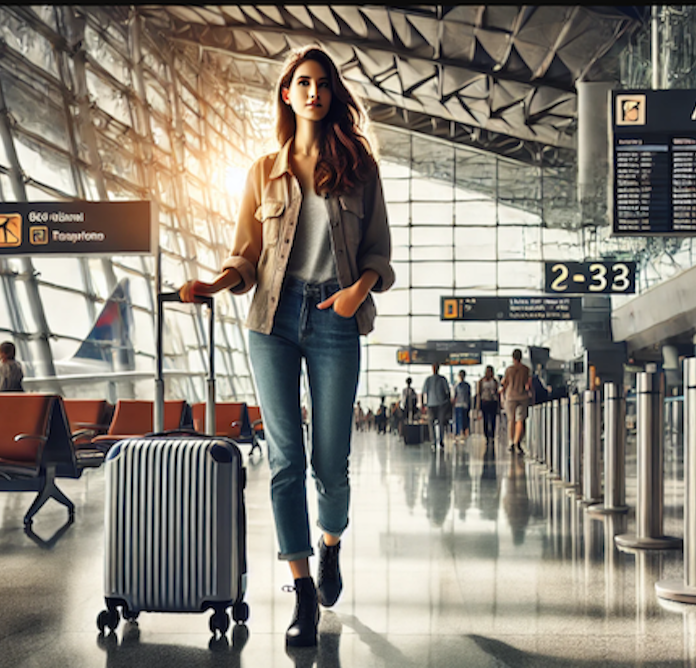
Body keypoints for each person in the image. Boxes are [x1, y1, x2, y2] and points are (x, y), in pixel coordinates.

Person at [177, 45, 392, 648]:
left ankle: (330, 544)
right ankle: (302, 592)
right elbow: (246, 255)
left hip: (335, 316)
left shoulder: (359, 168)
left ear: (332, 95)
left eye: (323, 83)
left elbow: (379, 251)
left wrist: (357, 293)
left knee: (330, 462)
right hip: (271, 317)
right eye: (303, 82)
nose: (314, 91)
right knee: (284, 460)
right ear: (286, 93)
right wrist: (216, 282)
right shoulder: (262, 171)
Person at [500, 349, 531, 455]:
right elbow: (528, 384)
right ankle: (517, 441)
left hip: (510, 397)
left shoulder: (509, 370)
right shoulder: (526, 369)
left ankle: (511, 442)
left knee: (511, 420)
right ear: (521, 357)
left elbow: (504, 382)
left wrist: (502, 391)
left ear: (513, 358)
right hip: (522, 396)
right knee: (520, 420)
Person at [422, 363, 452, 449]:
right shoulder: (432, 379)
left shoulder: (437, 379)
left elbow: (447, 392)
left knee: (439, 423)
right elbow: (447, 392)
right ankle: (434, 441)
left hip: (439, 404)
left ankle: (439, 441)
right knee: (433, 423)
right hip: (433, 404)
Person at [476, 365, 501, 445]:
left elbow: (497, 393)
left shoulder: (495, 381)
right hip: (484, 402)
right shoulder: (481, 381)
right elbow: (479, 393)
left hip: (493, 402)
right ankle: (486, 435)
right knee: (485, 420)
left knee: (493, 420)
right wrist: (478, 405)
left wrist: (499, 405)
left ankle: (492, 435)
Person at [452, 369, 472, 444]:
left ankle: (459, 434)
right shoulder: (467, 385)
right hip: (464, 405)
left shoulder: (457, 385)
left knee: (459, 420)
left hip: (459, 405)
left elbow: (455, 396)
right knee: (463, 420)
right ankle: (462, 434)